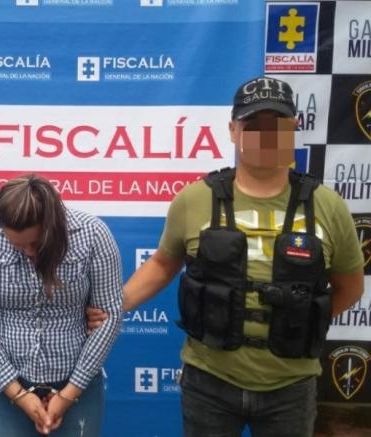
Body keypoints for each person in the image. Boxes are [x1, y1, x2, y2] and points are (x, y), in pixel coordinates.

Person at [88, 76, 365, 437]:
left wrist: (303, 318)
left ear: (293, 129)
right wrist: (117, 304)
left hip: (291, 386)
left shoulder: (327, 206)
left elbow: (350, 286)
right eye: (253, 126)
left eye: (277, 126)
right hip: (209, 382)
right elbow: (163, 263)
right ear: (234, 131)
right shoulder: (194, 199)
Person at [0, 174, 122, 436]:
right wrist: (18, 394)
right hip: (7, 384)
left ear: (53, 223)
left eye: (36, 242)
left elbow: (108, 317)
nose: (29, 252)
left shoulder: (92, 234)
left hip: (78, 384)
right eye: (16, 244)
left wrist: (70, 393)